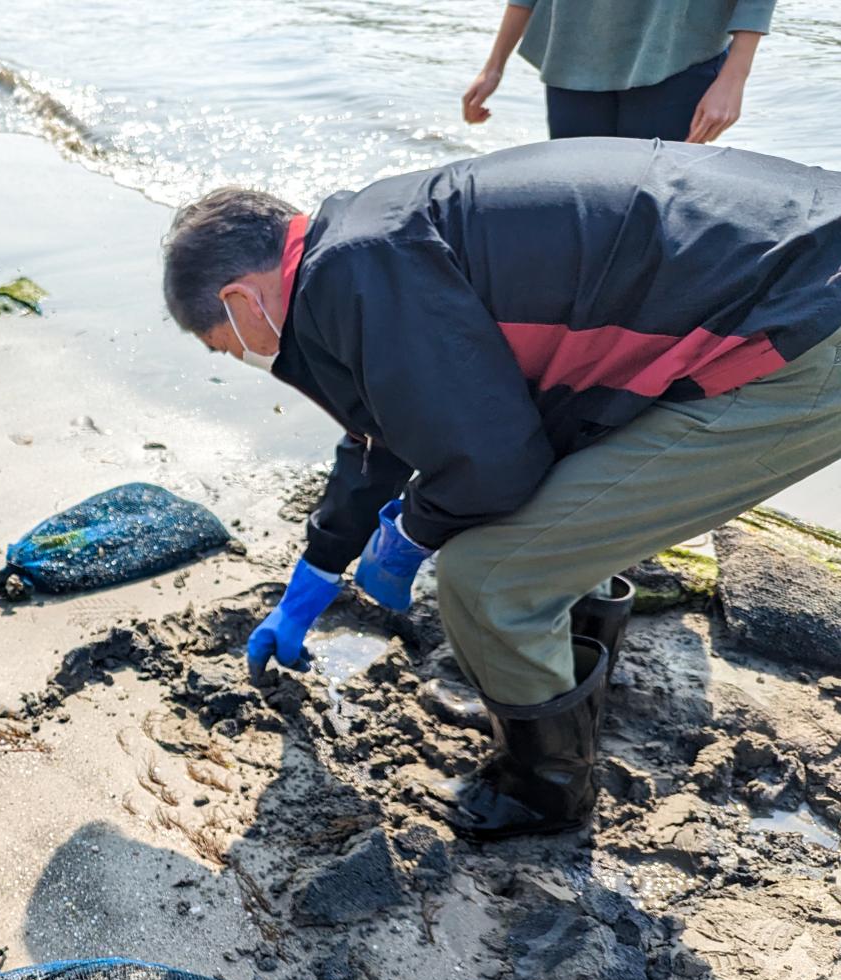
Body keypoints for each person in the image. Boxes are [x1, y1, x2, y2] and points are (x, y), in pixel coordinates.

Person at [160, 140, 841, 841]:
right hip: (800, 259)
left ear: (240, 298)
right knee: (561, 500)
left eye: (226, 344)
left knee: (489, 577)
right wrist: (320, 566)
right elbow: (386, 428)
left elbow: (495, 465)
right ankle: (571, 688)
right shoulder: (364, 239)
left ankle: (544, 793)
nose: (243, 356)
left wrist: (411, 536)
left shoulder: (352, 271)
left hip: (799, 324)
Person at [462, 0, 773, 143]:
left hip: (677, 55)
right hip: (571, 58)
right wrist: (494, 67)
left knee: (657, 210)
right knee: (580, 208)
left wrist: (735, 77)